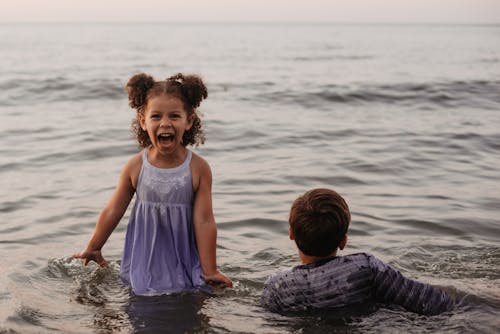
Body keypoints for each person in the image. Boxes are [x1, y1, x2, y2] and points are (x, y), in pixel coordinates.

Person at [73, 72, 232, 295]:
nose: (165, 123)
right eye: (156, 116)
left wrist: (210, 270)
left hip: (184, 258)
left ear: (189, 121)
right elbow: (113, 210)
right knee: (142, 308)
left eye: (174, 116)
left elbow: (205, 220)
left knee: (191, 310)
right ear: (143, 120)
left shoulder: (198, 168)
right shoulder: (136, 166)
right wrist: (93, 247)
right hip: (144, 260)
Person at [261, 188, 454, 315]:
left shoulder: (276, 288)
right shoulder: (365, 267)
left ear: (291, 235)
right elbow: (433, 303)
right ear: (344, 241)